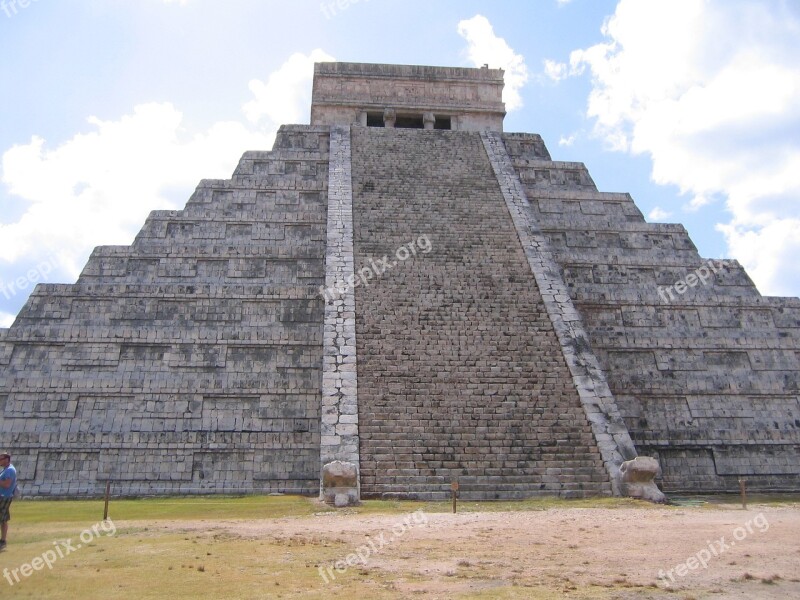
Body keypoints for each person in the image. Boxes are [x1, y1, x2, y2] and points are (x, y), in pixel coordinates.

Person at [0, 451, 17, 551]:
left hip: (4, 497)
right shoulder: (5, 469)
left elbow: (7, 485)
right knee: (3, 519)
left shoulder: (9, 470)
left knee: (2, 519)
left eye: (1, 459)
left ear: (6, 459)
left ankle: (3, 541)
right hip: (3, 496)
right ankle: (2, 541)